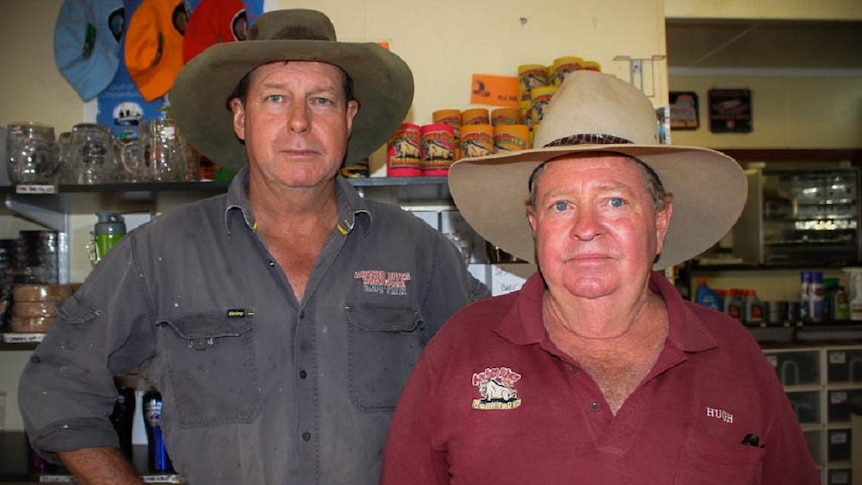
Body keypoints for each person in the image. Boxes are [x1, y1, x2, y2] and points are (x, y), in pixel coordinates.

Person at [19, 9, 488, 485]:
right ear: (241, 117)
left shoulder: (418, 254)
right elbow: (57, 384)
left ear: (348, 119)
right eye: (276, 98)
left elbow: (496, 375)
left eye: (322, 100)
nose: (300, 122)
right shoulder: (160, 254)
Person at [379, 70, 819, 484]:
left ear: (660, 220)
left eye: (614, 201)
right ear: (535, 224)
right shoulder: (460, 347)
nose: (586, 227)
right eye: (561, 205)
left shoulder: (733, 354)